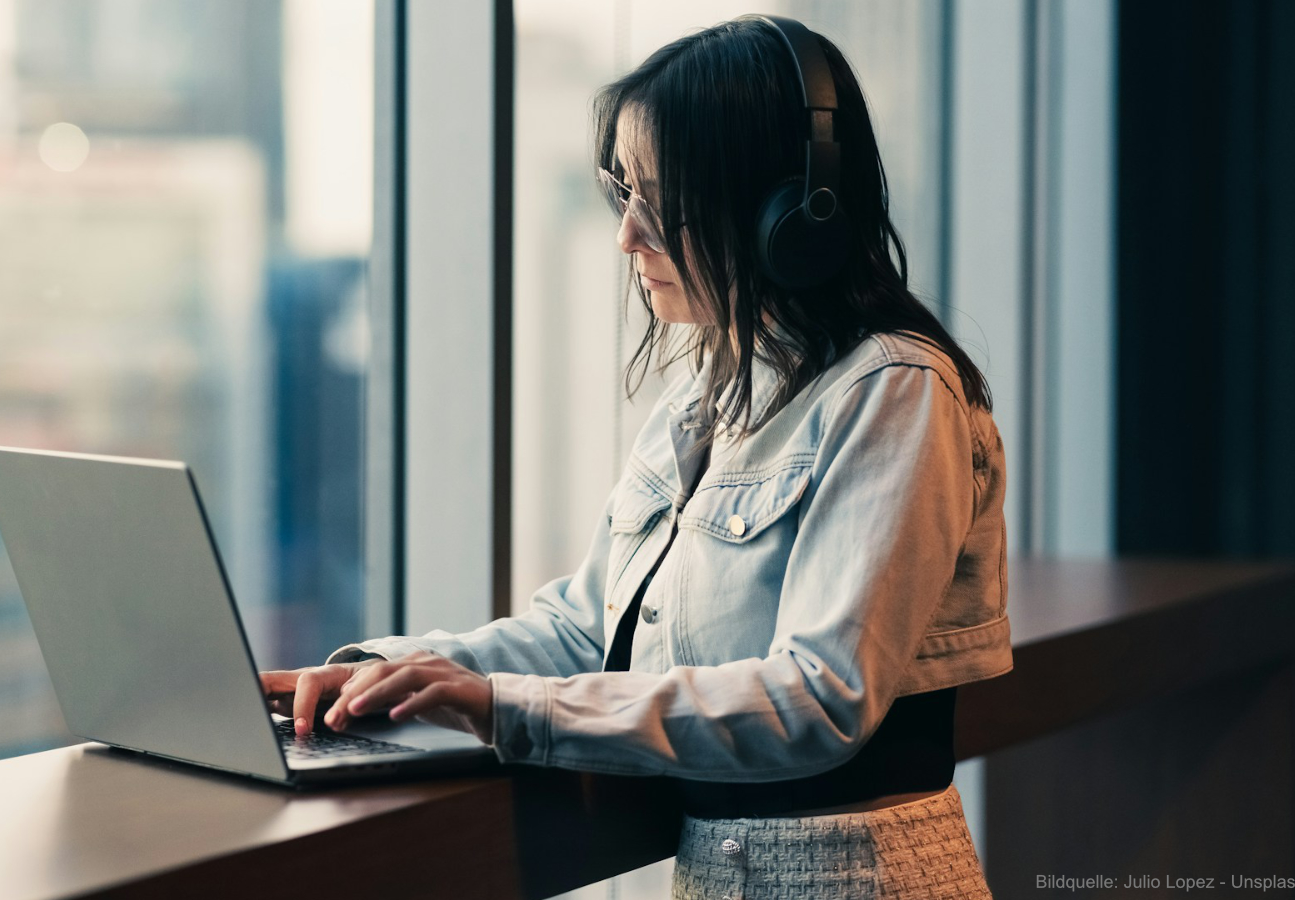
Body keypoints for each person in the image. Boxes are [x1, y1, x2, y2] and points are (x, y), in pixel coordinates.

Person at [261, 15, 1008, 899]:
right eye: (623, 196)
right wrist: (385, 674)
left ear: (789, 211)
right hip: (719, 872)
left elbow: (819, 698)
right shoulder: (707, 396)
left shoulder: (893, 390)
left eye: (662, 202)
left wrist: (498, 708)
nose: (628, 237)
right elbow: (588, 630)